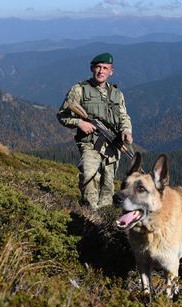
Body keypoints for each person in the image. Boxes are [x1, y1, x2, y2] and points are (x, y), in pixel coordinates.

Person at [57, 52, 133, 211]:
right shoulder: (79, 90)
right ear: (92, 68)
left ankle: (104, 215)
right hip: (90, 143)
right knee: (89, 175)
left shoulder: (117, 94)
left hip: (112, 144)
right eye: (98, 67)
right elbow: (62, 115)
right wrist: (80, 123)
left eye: (105, 68)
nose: (101, 71)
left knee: (108, 184)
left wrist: (126, 130)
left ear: (111, 71)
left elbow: (124, 116)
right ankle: (89, 213)